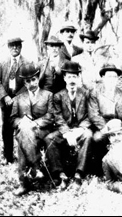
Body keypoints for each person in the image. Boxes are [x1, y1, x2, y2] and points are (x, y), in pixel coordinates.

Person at [44, 61, 94, 189]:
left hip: (80, 128)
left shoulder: (86, 93)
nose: (72, 80)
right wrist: (67, 133)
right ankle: (60, 174)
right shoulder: (58, 96)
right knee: (49, 139)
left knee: (88, 135)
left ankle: (79, 174)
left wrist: (80, 129)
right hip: (65, 130)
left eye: (74, 76)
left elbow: (90, 115)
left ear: (78, 78)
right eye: (69, 77)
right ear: (65, 78)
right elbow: (58, 117)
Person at [10, 62, 55, 196]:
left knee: (23, 138)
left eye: (34, 79)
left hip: (42, 131)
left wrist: (35, 123)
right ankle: (35, 169)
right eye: (28, 81)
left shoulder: (48, 95)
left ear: (38, 78)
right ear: (24, 83)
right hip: (25, 131)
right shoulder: (18, 98)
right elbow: (12, 120)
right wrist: (21, 122)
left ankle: (24, 182)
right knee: (24, 133)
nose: (31, 83)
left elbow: (51, 116)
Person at [88, 63, 122, 174]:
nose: (112, 79)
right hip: (104, 125)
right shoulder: (95, 92)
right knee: (98, 138)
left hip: (120, 125)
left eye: (114, 77)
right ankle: (103, 170)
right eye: (109, 76)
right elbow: (94, 114)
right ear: (103, 78)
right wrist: (104, 127)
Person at [0, 37, 32, 165]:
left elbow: (29, 83)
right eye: (12, 46)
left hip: (21, 100)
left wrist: (16, 98)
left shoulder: (27, 62)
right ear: (8, 48)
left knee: (22, 127)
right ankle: (8, 156)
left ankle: (25, 157)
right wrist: (5, 97)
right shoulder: (2, 62)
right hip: (6, 101)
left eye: (17, 45)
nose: (15, 48)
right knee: (6, 128)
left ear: (21, 47)